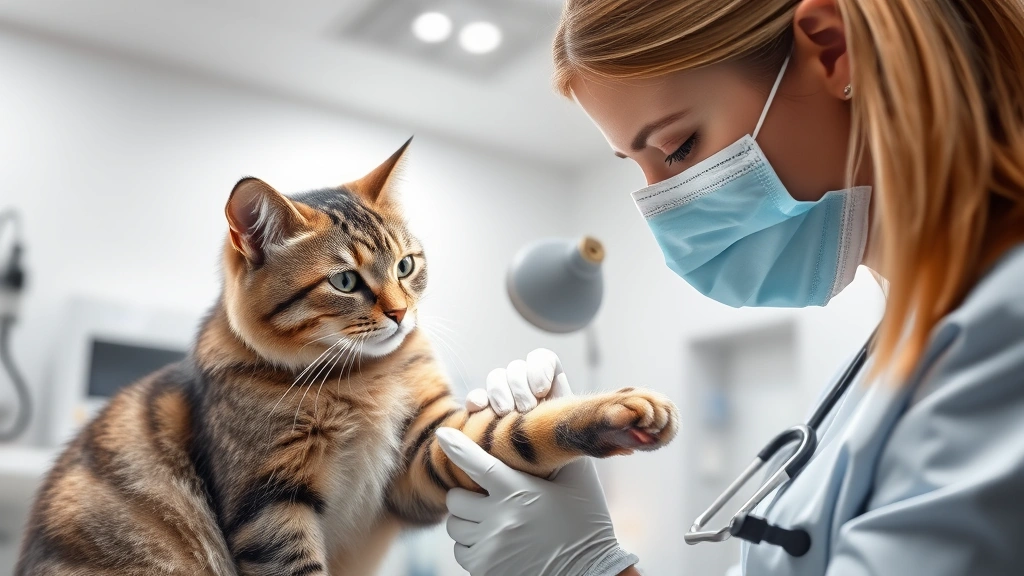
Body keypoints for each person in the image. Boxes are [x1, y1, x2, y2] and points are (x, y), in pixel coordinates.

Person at [432, 0, 1024, 574]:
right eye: (637, 167)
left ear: (833, 50)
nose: (665, 209)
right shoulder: (899, 351)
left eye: (677, 148)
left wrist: (584, 567)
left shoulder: (1006, 329)